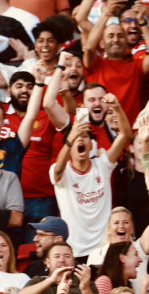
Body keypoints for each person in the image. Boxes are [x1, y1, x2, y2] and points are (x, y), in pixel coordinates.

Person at [51, 94, 132, 259]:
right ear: (68, 145)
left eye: (85, 136)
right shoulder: (62, 171)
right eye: (76, 138)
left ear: (91, 145)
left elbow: (125, 136)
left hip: (104, 250)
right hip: (75, 251)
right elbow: (58, 170)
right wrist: (72, 135)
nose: (80, 139)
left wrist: (117, 108)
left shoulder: (102, 165)